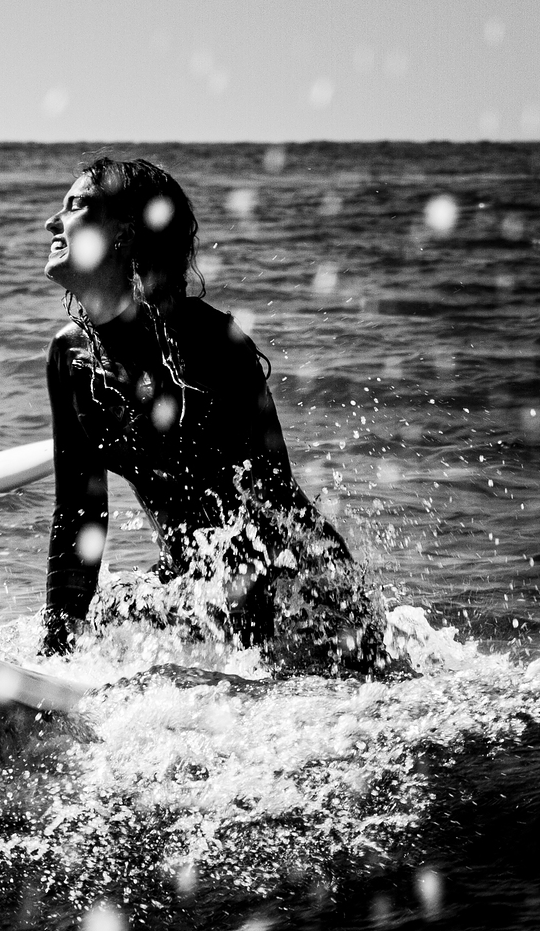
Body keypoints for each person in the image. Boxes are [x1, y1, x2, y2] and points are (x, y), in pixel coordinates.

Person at [40, 158, 382, 669]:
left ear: (125, 235)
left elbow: (272, 505)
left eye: (75, 207)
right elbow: (79, 518)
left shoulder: (215, 346)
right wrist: (53, 657)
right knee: (111, 612)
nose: (52, 223)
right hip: (199, 585)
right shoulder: (70, 358)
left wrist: (257, 656)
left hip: (306, 593)